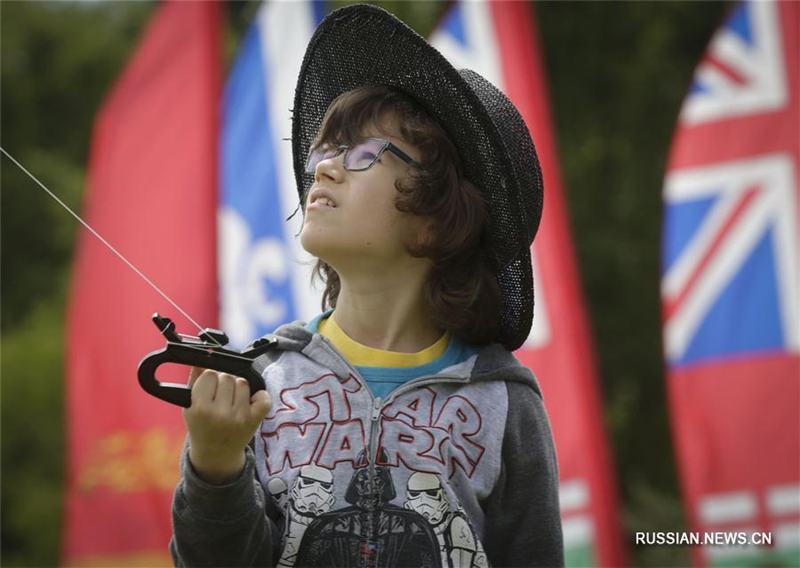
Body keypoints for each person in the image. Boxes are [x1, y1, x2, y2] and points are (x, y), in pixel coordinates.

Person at [170, 4, 563, 567]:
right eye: (325, 150)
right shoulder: (262, 386)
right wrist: (214, 464)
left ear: (438, 217)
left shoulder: (505, 402)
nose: (323, 169)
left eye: (361, 154)